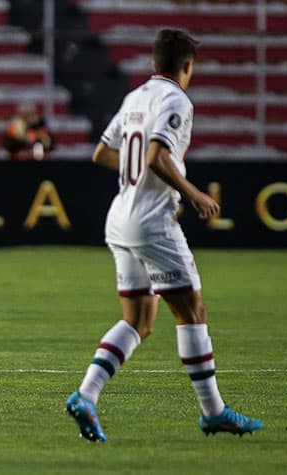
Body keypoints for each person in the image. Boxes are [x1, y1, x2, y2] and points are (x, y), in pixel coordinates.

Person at [65, 29, 263, 441]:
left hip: (119, 218)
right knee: (192, 313)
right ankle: (214, 412)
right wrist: (193, 193)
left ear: (154, 64)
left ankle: (87, 395)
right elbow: (156, 156)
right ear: (187, 67)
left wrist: (133, 172)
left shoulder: (135, 97)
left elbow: (101, 153)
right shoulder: (176, 101)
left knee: (138, 320)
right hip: (153, 222)